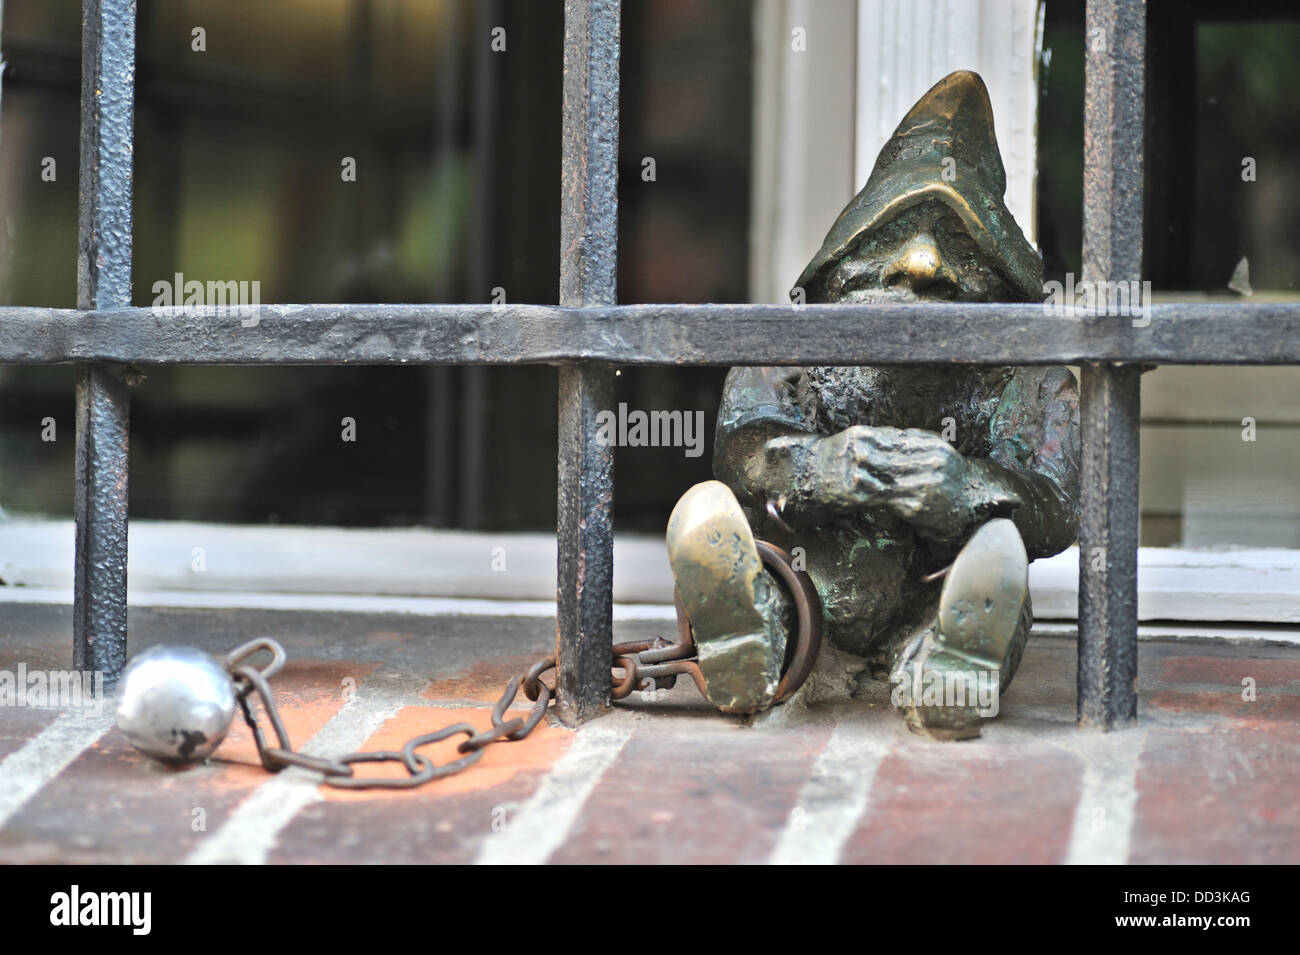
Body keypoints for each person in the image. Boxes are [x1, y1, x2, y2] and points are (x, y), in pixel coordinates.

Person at [666, 71, 1080, 739]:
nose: (924, 264)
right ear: (845, 257)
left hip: (938, 584)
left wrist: (966, 488)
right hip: (810, 586)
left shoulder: (1027, 380)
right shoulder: (791, 350)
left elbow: (1057, 507)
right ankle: (748, 635)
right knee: (763, 570)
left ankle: (951, 660)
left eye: (963, 249)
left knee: (996, 568)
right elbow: (743, 447)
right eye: (896, 236)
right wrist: (812, 465)